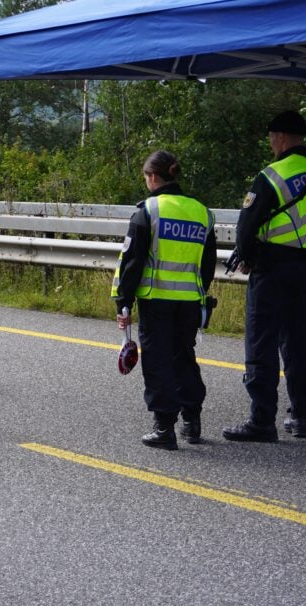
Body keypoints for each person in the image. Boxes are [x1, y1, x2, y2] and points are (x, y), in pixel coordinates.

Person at [222, 111, 306, 442]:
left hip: (271, 268)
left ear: (283, 138)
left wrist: (247, 257)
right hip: (303, 269)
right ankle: (300, 415)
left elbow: (246, 224)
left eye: (272, 137)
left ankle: (261, 420)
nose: (271, 143)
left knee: (261, 341)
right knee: (298, 341)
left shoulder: (273, 175)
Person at [111, 150, 218, 450]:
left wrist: (123, 302)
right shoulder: (202, 212)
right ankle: (191, 421)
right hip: (190, 301)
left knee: (158, 361)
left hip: (156, 298)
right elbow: (207, 264)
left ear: (153, 177)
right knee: (184, 356)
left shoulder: (149, 210)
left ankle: (163, 428)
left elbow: (132, 262)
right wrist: (197, 291)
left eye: (145, 177)